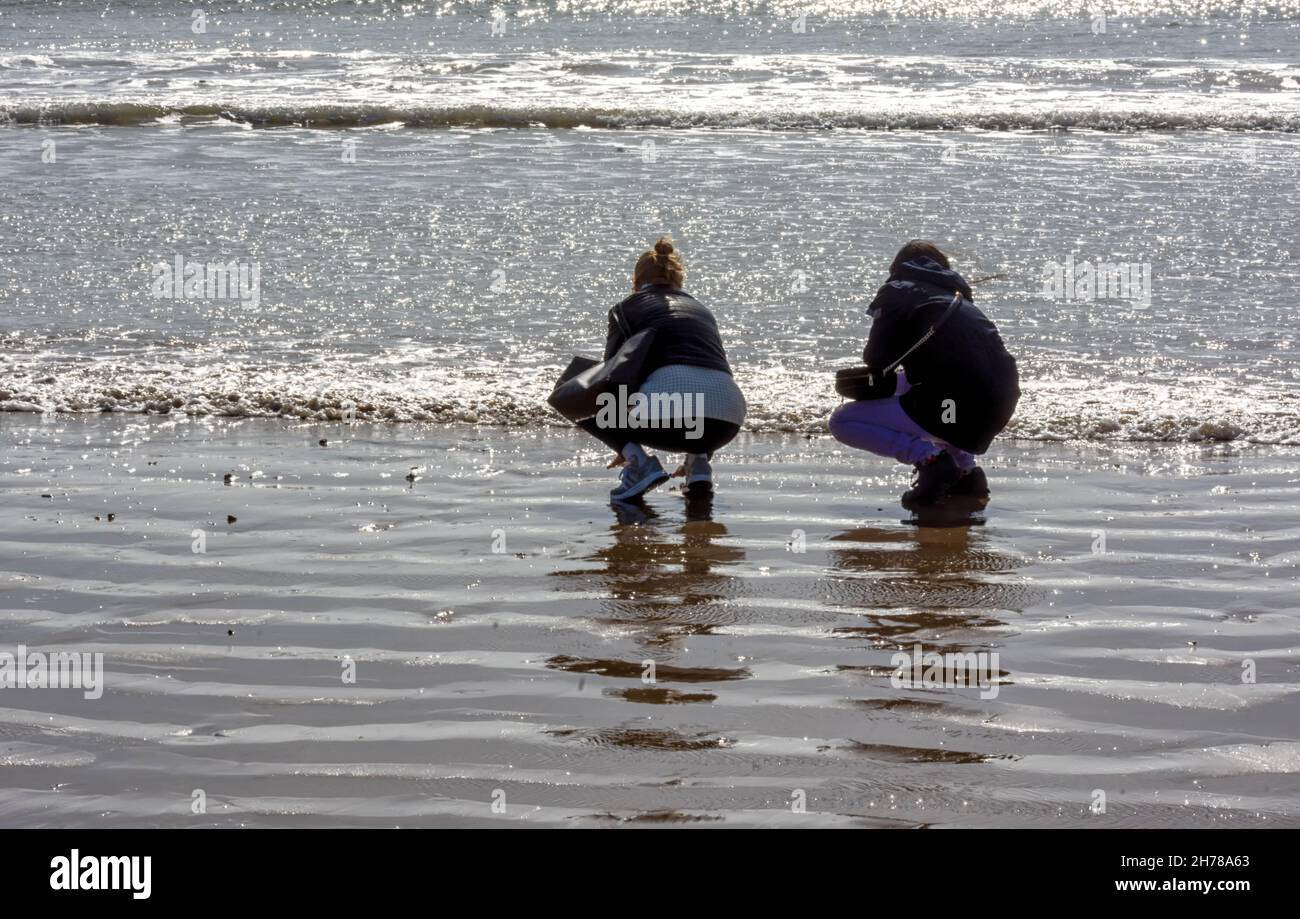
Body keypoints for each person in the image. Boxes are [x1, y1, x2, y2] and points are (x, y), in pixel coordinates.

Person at [828, 240, 1019, 507]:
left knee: (842, 422)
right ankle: (967, 472)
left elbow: (877, 359)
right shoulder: (959, 298)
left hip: (953, 407)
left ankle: (929, 460)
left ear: (896, 268)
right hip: (998, 405)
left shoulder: (896, 290)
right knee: (926, 388)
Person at [579, 237, 746, 502]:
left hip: (668, 422)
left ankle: (640, 464)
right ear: (678, 280)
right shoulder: (701, 309)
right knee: (696, 387)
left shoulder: (625, 308)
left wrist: (622, 441)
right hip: (727, 422)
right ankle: (699, 464)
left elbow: (609, 374)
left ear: (636, 282)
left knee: (578, 385)